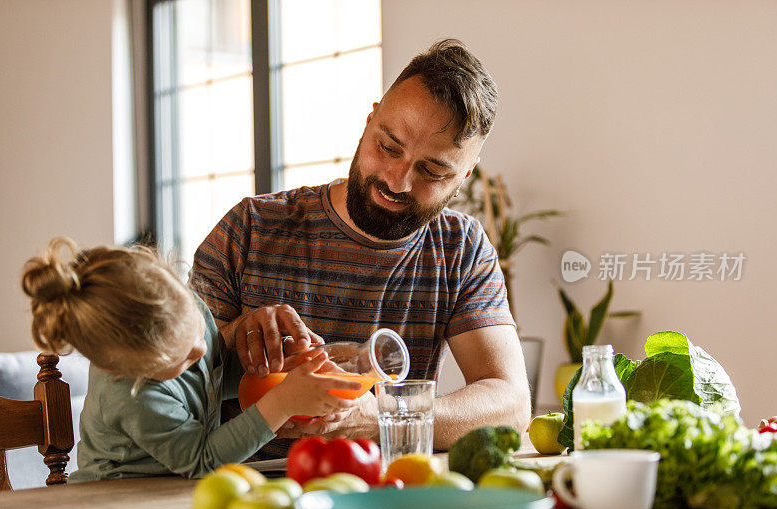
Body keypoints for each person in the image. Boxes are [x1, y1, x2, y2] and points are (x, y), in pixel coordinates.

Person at [191, 38, 531, 456]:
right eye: (388, 147)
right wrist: (229, 338)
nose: (397, 181)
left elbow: (511, 405)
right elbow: (163, 380)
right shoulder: (249, 229)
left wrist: (383, 417)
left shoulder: (461, 248)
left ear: (464, 176)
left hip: (385, 493)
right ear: (369, 122)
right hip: (242, 490)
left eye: (432, 170)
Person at [21, 236, 360, 481]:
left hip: (169, 488)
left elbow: (211, 377)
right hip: (114, 499)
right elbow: (203, 459)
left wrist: (277, 369)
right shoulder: (132, 397)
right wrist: (281, 403)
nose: (200, 351)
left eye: (198, 331)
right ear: (130, 372)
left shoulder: (192, 310)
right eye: (182, 359)